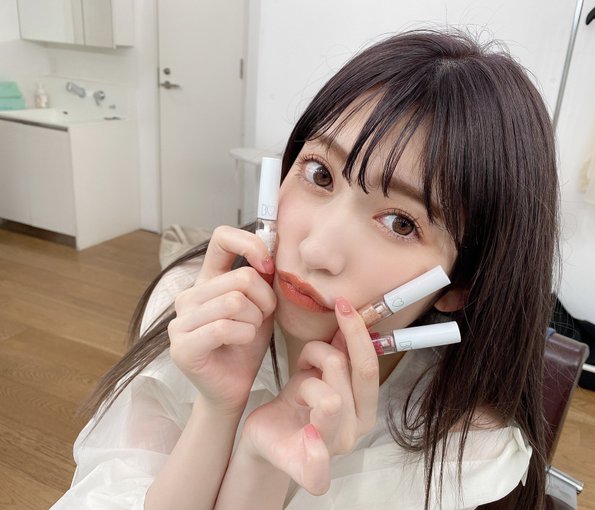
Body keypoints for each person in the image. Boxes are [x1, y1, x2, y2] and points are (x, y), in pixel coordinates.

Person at [51, 28, 557, 510]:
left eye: (401, 223)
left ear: (460, 284)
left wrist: (264, 458)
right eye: (320, 174)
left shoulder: (465, 445)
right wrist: (217, 411)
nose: (316, 250)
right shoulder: (194, 304)